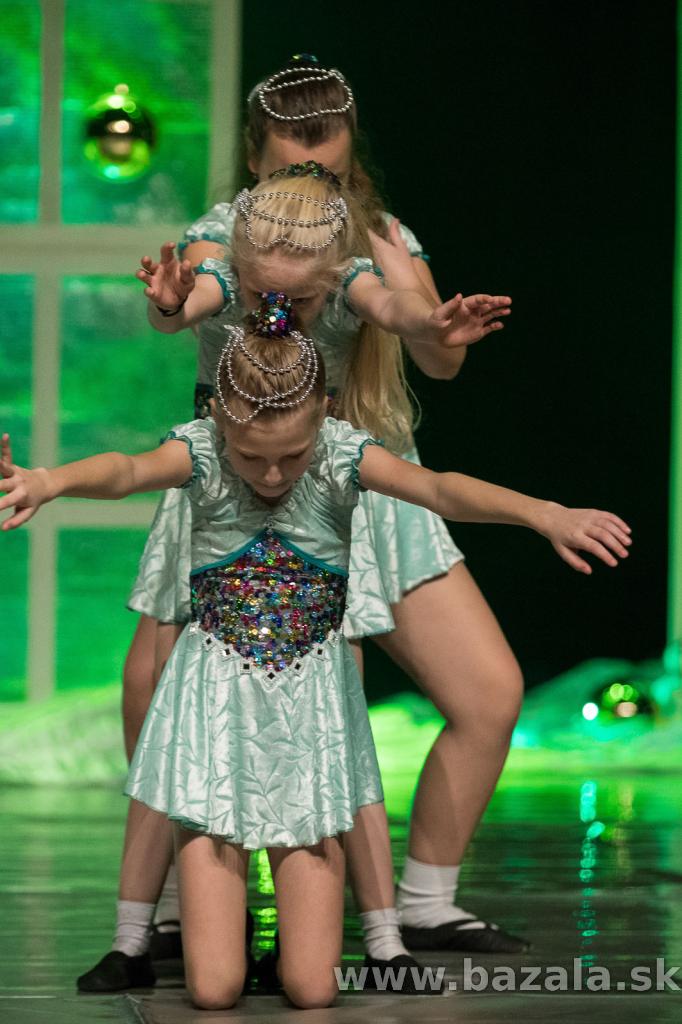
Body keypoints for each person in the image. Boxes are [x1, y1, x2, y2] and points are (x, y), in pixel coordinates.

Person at [0, 318, 631, 1010]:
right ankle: (192, 929)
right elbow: (125, 471)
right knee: (213, 990)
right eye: (253, 457)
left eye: (291, 456)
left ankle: (333, 935)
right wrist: (48, 481)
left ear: (325, 414)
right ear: (219, 420)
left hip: (307, 729)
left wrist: (543, 513)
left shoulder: (341, 454)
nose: (272, 475)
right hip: (214, 724)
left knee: (311, 988)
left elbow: (441, 490)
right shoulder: (202, 451)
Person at [127, 55, 532, 959]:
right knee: (153, 687)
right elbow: (193, 294)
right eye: (292, 160)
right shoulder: (223, 233)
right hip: (247, 493)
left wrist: (431, 318)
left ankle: (424, 902)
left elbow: (435, 353)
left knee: (489, 692)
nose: (313, 176)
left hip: (366, 478)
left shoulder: (380, 239)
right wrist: (170, 306)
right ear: (255, 159)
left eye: (330, 164)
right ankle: (179, 909)